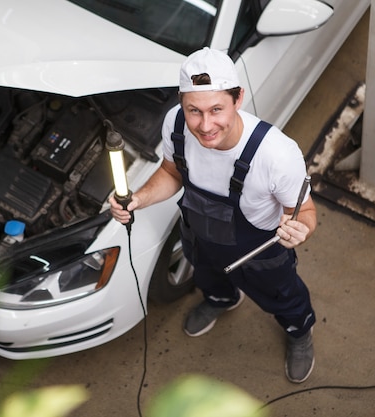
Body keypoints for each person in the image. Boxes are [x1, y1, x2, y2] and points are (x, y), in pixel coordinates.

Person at [109, 47, 317, 383]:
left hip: (259, 249)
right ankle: (222, 299)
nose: (205, 126)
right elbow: (172, 171)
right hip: (200, 235)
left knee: (283, 295)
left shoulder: (276, 154)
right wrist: (139, 198)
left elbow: (305, 210)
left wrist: (301, 229)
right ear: (182, 103)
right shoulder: (175, 125)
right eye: (194, 111)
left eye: (216, 109)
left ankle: (298, 331)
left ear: (238, 99)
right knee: (208, 277)